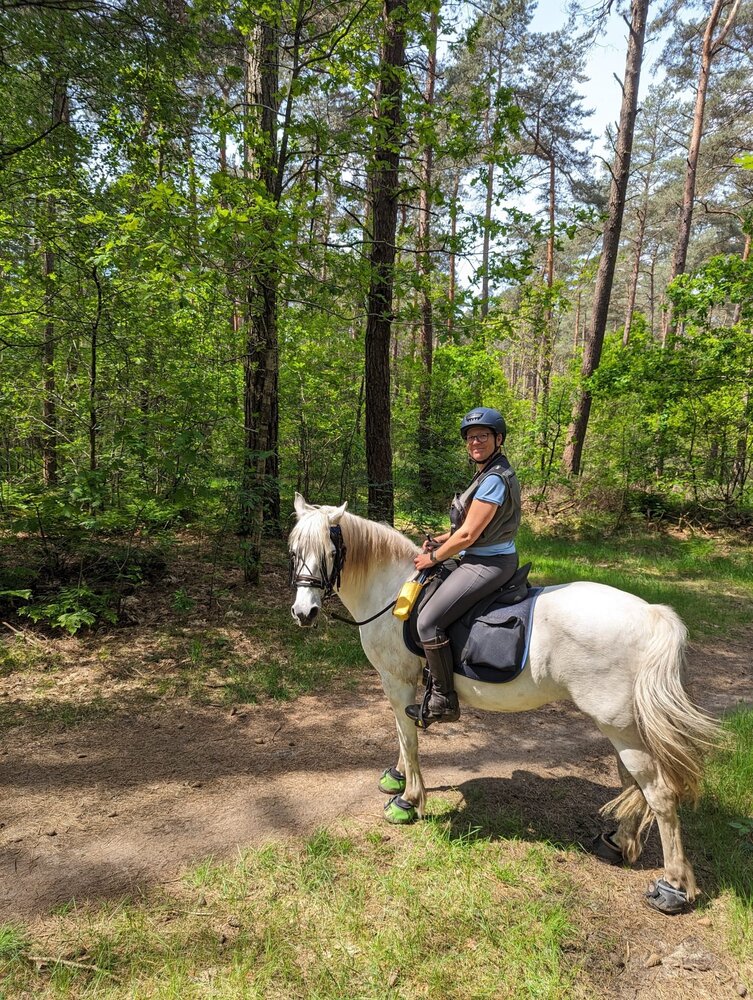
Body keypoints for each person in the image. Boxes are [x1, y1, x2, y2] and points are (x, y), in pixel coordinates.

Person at [405, 406, 521, 727]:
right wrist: (439, 540)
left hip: (487, 563)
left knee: (428, 622)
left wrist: (433, 557)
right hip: (481, 555)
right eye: (470, 437)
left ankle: (443, 700)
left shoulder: (494, 479)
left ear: (498, 439)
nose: (475, 442)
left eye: (482, 436)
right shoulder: (488, 472)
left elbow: (469, 535)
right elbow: (470, 528)